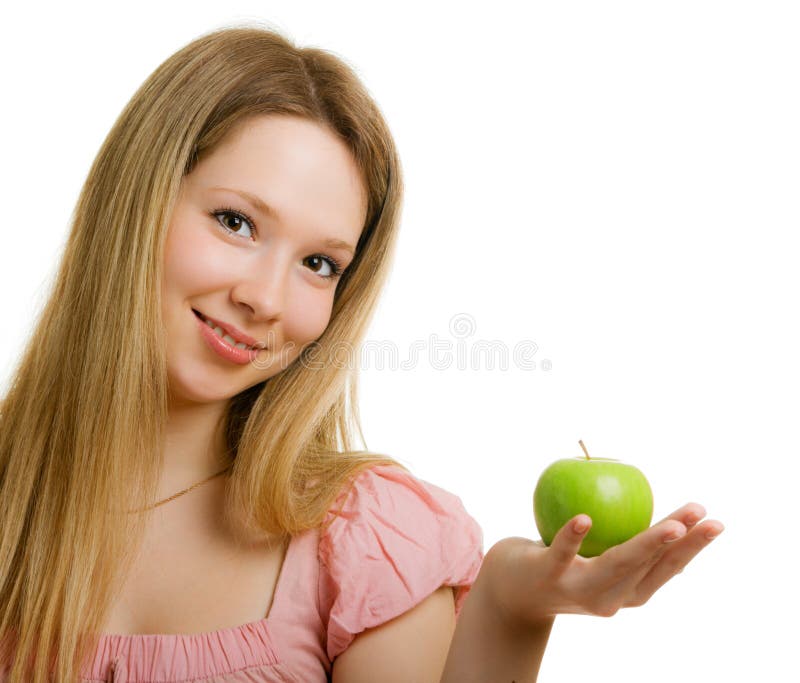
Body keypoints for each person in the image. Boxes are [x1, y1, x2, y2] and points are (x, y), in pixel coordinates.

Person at [0, 23, 724, 683]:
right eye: (236, 222)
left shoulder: (369, 545)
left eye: (319, 263)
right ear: (137, 201)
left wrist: (509, 604)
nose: (268, 299)